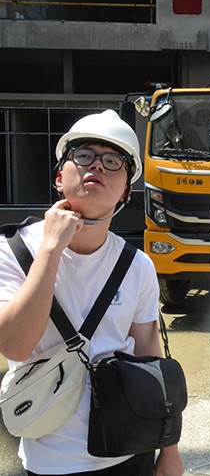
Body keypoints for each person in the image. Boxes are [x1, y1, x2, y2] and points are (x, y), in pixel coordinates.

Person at [0, 110, 183, 475]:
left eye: (113, 161)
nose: (97, 165)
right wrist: (51, 248)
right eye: (84, 156)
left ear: (126, 191)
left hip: (131, 448)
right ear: (59, 177)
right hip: (51, 460)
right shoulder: (14, 252)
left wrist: (169, 449)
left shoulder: (137, 265)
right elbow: (15, 346)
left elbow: (150, 356)